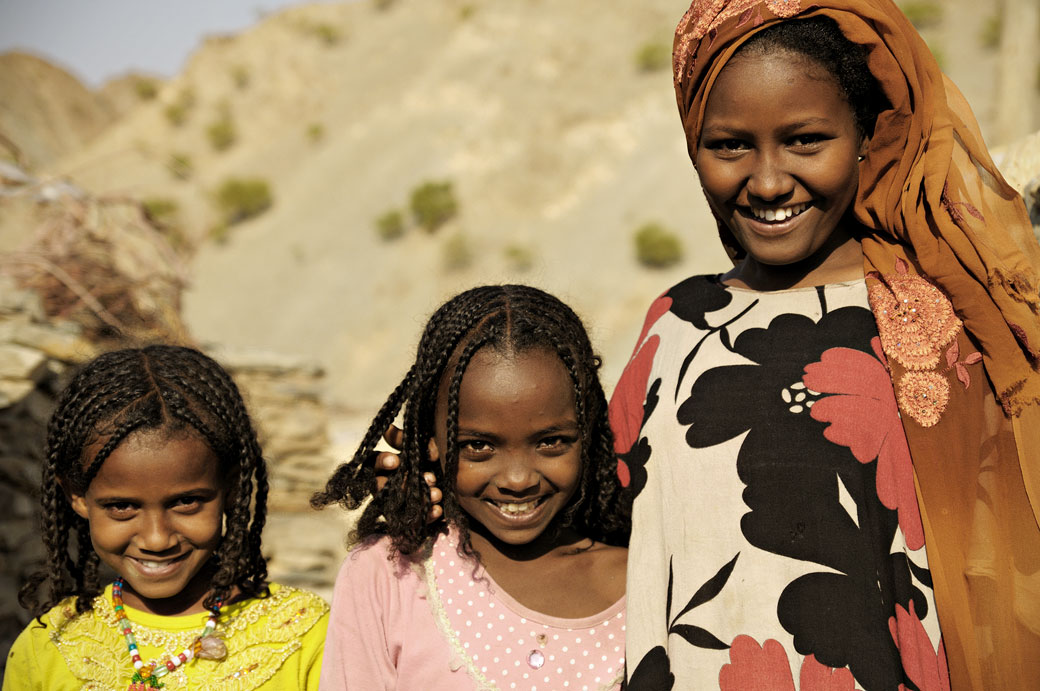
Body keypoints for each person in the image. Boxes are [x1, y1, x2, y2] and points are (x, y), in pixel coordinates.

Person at [612, 1, 1040, 689]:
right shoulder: (672, 328)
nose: (771, 180)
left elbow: (1006, 560)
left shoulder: (938, 320)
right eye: (729, 146)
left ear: (868, 133)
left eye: (807, 140)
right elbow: (608, 522)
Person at [312, 284, 630, 690]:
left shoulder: (642, 583)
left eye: (551, 442)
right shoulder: (388, 575)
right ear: (431, 441)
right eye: (478, 446)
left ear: (588, 434)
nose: (518, 479)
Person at [5, 345, 329, 690]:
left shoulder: (306, 635)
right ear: (77, 497)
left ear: (231, 488)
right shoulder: (49, 644)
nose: (157, 539)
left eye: (186, 502)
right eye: (121, 507)